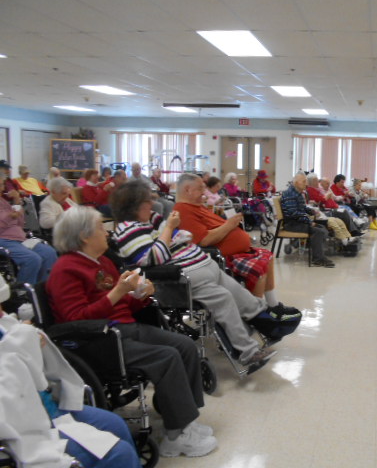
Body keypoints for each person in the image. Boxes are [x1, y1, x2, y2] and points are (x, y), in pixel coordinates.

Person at [46, 206, 218, 458]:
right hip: (98, 340)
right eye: (100, 228)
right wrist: (118, 292)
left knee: (185, 346)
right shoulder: (65, 270)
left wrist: (141, 295)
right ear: (84, 236)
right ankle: (175, 437)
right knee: (167, 357)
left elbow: (122, 304)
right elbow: (75, 319)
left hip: (124, 328)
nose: (106, 232)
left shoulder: (103, 262)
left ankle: (185, 421)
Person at [110, 180, 278, 367]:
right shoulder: (127, 231)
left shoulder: (150, 218)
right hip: (179, 279)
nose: (152, 203)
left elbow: (182, 236)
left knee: (239, 294)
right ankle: (248, 352)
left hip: (203, 266)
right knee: (224, 299)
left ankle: (268, 323)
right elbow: (155, 256)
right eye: (147, 200)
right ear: (136, 206)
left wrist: (169, 235)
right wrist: (169, 230)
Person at [0, 290, 142, 468]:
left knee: (115, 424)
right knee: (119, 455)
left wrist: (137, 296)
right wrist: (25, 345)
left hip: (45, 404)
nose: (2, 311)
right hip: (21, 423)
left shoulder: (5, 324)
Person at [173, 174, 290, 305]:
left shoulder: (197, 206)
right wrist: (230, 225)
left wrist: (233, 225)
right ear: (187, 189)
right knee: (259, 268)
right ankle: (257, 310)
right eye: (200, 188)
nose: (204, 192)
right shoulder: (183, 210)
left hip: (234, 250)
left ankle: (273, 305)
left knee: (267, 256)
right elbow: (204, 240)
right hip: (219, 256)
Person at [0, 175, 57, 284]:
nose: (2, 189)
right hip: (4, 240)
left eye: (2, 185)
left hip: (19, 238)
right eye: (0, 185)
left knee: (49, 253)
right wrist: (10, 216)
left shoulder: (3, 202)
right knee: (32, 259)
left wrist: (17, 201)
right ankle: (24, 291)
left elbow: (20, 223)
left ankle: (42, 287)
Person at [281, 173, 335, 267]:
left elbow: (302, 208)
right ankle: (317, 259)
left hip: (298, 222)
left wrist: (312, 211)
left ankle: (318, 255)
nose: (306, 184)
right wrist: (309, 222)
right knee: (318, 231)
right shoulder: (290, 194)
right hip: (292, 224)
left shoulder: (297, 193)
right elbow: (294, 214)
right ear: (296, 183)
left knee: (323, 228)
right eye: (304, 181)